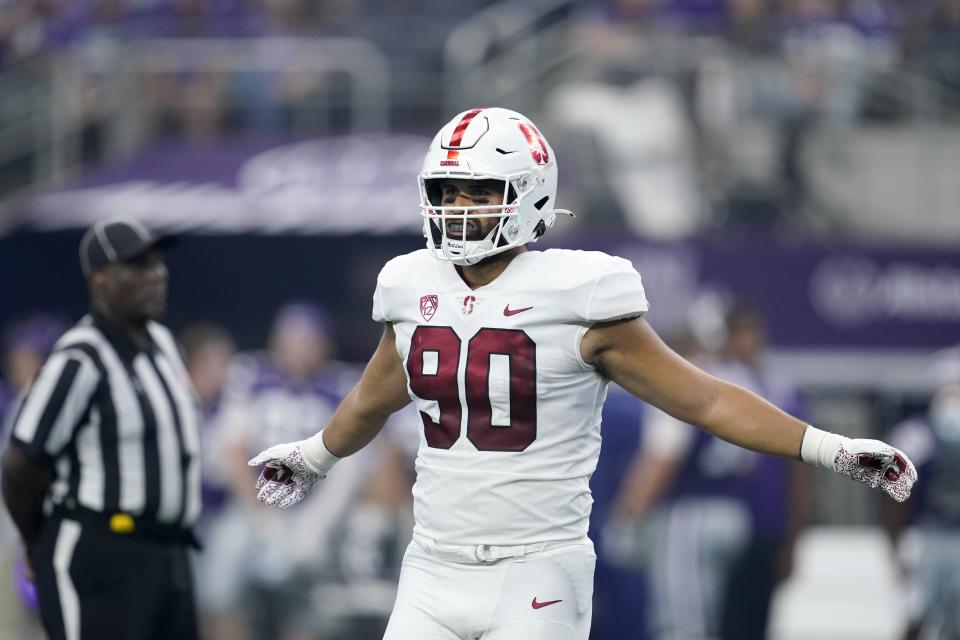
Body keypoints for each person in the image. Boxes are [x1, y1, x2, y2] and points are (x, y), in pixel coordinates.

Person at [248, 107, 918, 640]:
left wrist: (830, 448)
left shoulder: (584, 292)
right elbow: (373, 396)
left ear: (528, 193)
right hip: (432, 564)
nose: (458, 206)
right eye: (447, 190)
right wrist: (310, 458)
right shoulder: (408, 282)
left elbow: (707, 399)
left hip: (536, 570)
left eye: (479, 190)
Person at [0, 217, 202, 640]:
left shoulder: (164, 344)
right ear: (101, 280)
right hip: (102, 554)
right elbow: (22, 463)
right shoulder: (79, 359)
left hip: (169, 553)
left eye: (157, 263)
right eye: (139, 265)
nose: (156, 274)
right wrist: (35, 543)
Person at [608, 305, 810, 640]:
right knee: (728, 622)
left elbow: (664, 454)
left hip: (691, 514)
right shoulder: (745, 381)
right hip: (737, 515)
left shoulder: (684, 380)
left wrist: (629, 515)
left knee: (683, 625)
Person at [885, 346, 960, 640]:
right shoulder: (915, 435)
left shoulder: (914, 433)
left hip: (928, 535)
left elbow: (891, 499)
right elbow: (894, 496)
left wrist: (893, 545)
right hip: (926, 535)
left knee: (921, 614)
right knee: (917, 612)